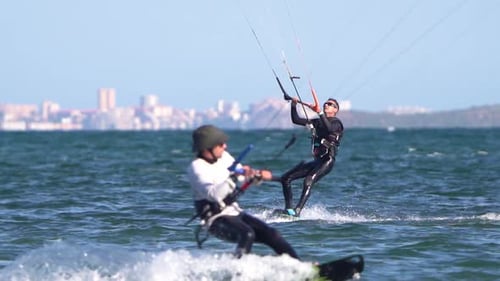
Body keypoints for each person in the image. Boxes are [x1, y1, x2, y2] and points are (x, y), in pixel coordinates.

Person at [186, 124, 299, 259]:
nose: (225, 147)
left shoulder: (224, 157)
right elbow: (213, 195)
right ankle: (239, 271)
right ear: (207, 147)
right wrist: (233, 177)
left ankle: (299, 266)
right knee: (247, 234)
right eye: (221, 144)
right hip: (215, 220)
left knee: (272, 234)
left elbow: (241, 174)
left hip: (234, 212)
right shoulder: (196, 167)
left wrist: (256, 175)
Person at [280, 97, 344, 217]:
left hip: (327, 161)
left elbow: (329, 129)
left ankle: (298, 211)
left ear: (335, 110)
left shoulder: (336, 123)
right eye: (325, 103)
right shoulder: (317, 121)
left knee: (308, 180)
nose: (326, 105)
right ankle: (288, 209)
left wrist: (319, 112)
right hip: (317, 161)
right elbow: (296, 120)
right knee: (286, 178)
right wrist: (293, 105)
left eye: (330, 104)